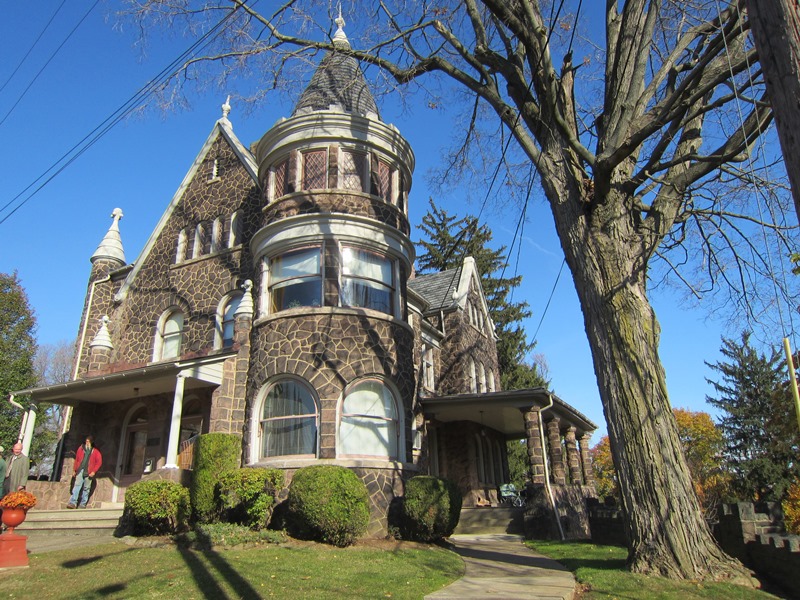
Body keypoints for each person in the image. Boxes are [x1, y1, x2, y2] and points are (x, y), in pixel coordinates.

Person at [67, 436, 102, 509]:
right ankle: (73, 502)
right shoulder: (81, 449)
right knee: (77, 486)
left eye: (88, 442)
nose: (87, 443)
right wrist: (74, 470)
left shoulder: (95, 451)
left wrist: (94, 471)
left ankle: (83, 504)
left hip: (89, 472)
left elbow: (99, 462)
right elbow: (77, 459)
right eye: (86, 441)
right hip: (80, 470)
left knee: (86, 488)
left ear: (91, 442)